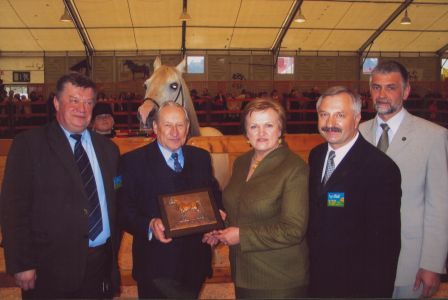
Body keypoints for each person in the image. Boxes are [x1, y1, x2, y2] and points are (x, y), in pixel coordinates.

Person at [0, 72, 120, 298]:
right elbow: (13, 208)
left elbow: (116, 201)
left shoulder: (108, 150)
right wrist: (21, 262)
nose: (81, 109)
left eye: (87, 102)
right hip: (50, 268)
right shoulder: (29, 145)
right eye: (73, 100)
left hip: (99, 265)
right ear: (56, 102)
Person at [359, 60, 448, 298]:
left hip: (410, 260)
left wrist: (432, 263)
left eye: (391, 87)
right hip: (363, 257)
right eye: (376, 87)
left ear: (406, 91)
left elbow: (439, 206)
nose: (382, 95)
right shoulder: (356, 133)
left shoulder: (434, 137)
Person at [204, 98, 309, 298]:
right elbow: (241, 209)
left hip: (278, 278)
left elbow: (293, 230)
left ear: (280, 130)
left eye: (268, 125)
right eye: (254, 126)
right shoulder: (242, 162)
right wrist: (221, 226)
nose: (261, 133)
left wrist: (241, 235)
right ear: (246, 133)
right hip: (243, 273)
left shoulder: (294, 169)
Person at [118, 101, 222, 298]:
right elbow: (123, 209)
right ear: (156, 128)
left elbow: (214, 194)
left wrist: (218, 216)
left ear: (188, 128)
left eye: (180, 125)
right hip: (155, 266)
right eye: (167, 125)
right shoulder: (132, 161)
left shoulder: (201, 157)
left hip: (195, 261)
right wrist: (149, 224)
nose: (175, 131)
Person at [308, 86, 401, 297]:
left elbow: (385, 245)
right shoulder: (316, 156)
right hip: (316, 279)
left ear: (357, 118)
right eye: (324, 114)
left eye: (340, 115)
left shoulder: (380, 168)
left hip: (356, 285)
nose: (330, 123)